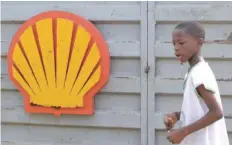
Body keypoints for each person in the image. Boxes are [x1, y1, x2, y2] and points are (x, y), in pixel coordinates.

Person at [164, 21, 230, 145]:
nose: (176, 47)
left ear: (199, 43)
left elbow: (216, 113)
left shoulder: (199, 74)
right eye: (174, 44)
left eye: (181, 43)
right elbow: (201, 110)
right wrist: (178, 115)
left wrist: (182, 132)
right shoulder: (194, 72)